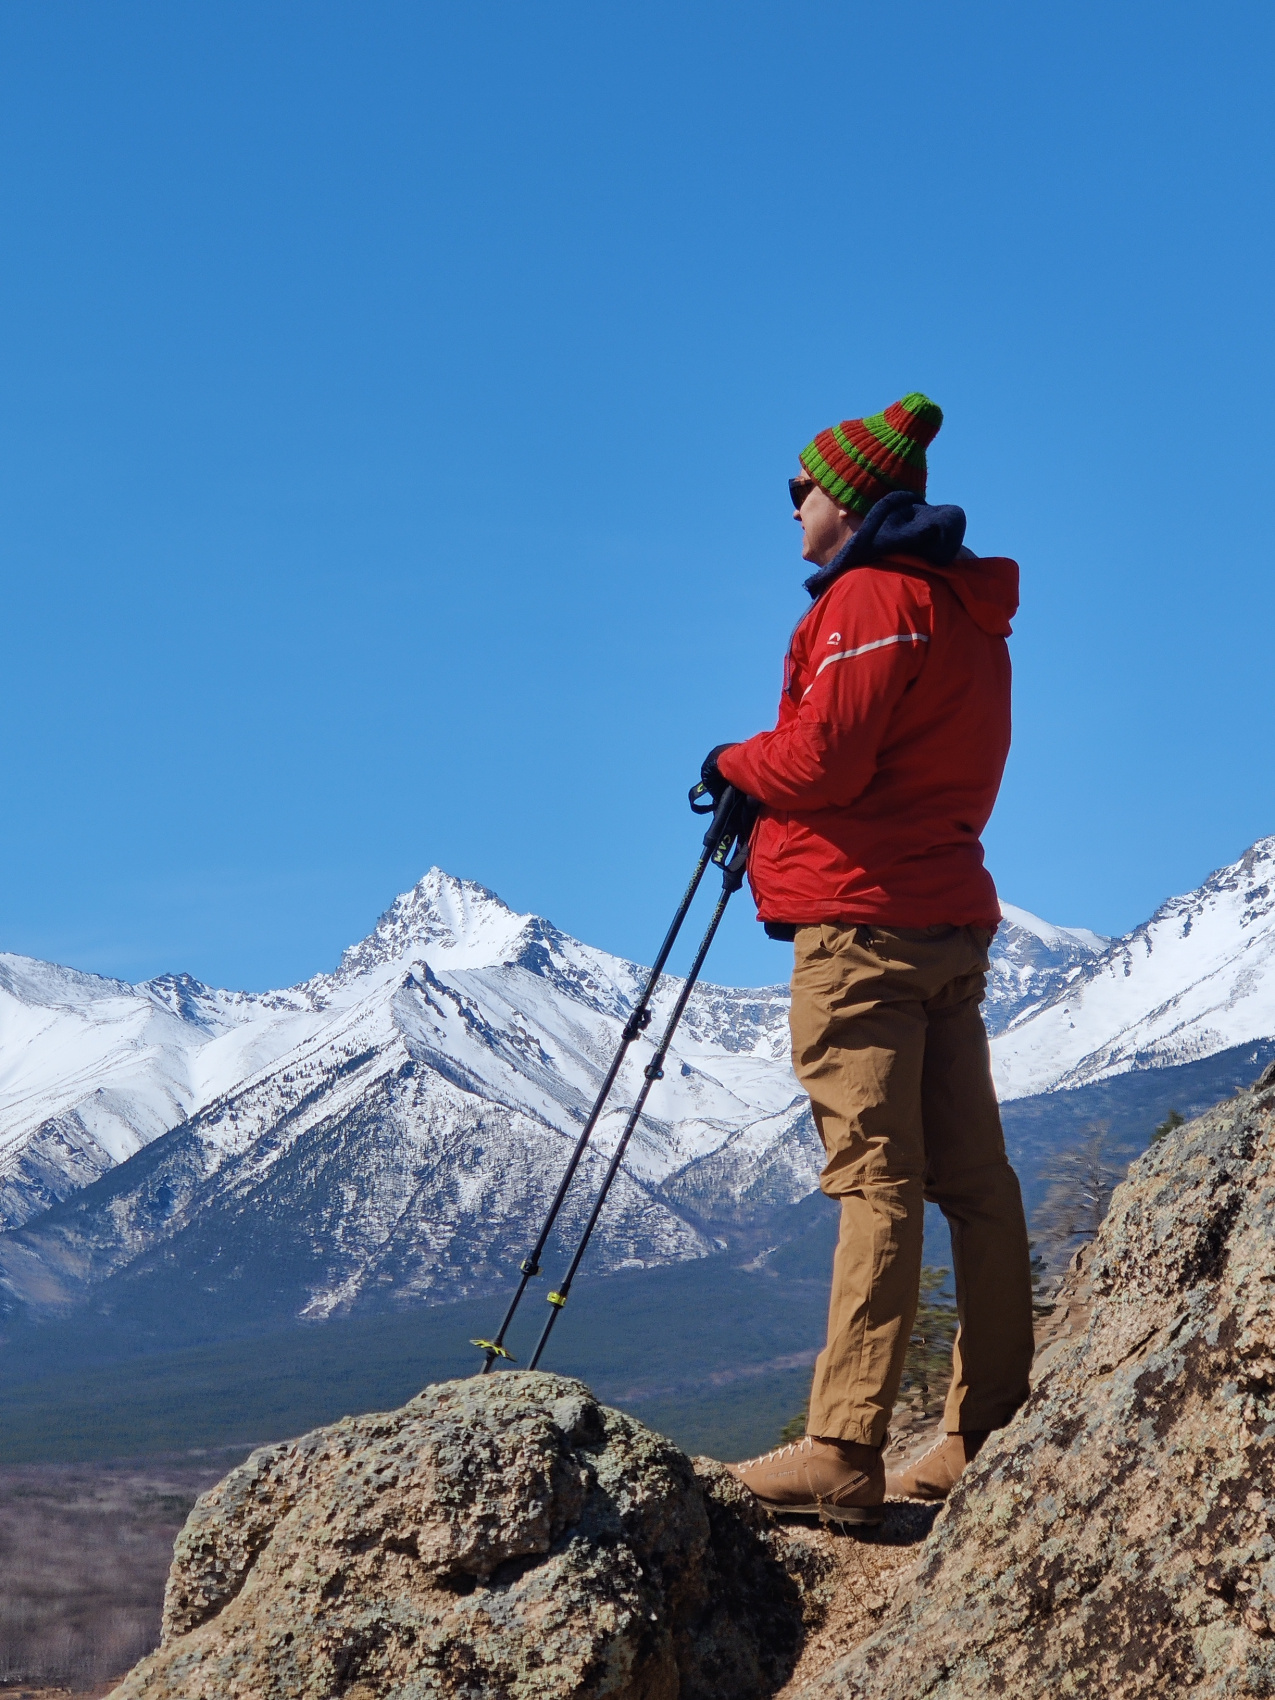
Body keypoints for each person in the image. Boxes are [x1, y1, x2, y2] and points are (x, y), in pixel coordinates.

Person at [705, 393, 1034, 1524]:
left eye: (799, 486)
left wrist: (733, 761)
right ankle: (987, 1427)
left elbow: (829, 756)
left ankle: (843, 1447)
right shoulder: (963, 613)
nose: (791, 505)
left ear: (845, 496)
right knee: (977, 1183)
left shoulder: (868, 599)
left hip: (862, 928)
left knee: (877, 1182)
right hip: (945, 917)